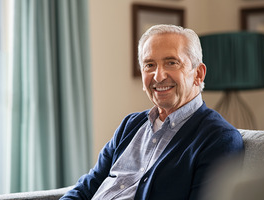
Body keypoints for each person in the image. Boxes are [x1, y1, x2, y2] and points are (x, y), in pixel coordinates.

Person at [61, 24, 244, 200]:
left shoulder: (219, 139)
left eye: (171, 63)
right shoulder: (130, 125)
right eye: (149, 65)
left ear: (198, 74)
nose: (158, 76)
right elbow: (85, 189)